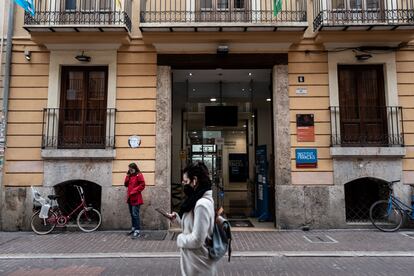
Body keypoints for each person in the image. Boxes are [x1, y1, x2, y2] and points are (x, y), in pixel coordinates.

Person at [168, 162, 217, 276]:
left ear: (194, 180)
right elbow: (192, 227)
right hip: (194, 264)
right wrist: (176, 219)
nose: (183, 184)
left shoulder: (201, 204)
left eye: (185, 181)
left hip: (199, 266)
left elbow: (197, 240)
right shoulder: (195, 200)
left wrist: (180, 239)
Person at [124, 162, 145, 239]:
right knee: (132, 214)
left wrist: (134, 190)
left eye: (131, 169)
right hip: (130, 198)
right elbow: (125, 184)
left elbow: (142, 185)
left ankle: (137, 230)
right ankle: (133, 228)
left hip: (136, 198)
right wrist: (127, 175)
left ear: (135, 168)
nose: (130, 170)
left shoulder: (139, 175)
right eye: (129, 169)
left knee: (135, 214)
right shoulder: (130, 175)